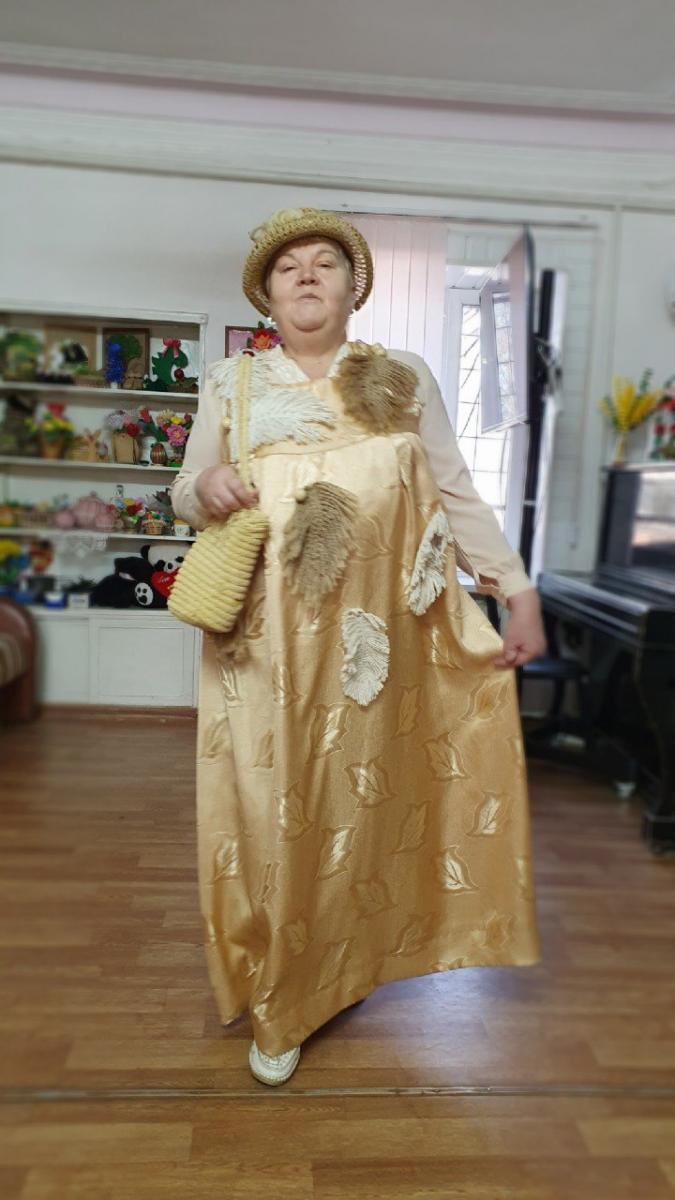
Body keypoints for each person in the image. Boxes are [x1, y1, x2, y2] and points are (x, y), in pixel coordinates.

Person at [170, 206, 546, 1087]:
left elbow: (453, 492)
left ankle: (343, 961)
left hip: (382, 649)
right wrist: (207, 483)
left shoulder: (401, 377)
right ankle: (281, 995)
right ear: (267, 296)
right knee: (271, 811)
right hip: (264, 647)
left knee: (361, 808)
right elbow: (186, 489)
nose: (306, 274)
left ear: (352, 288)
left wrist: (516, 589)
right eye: (288, 266)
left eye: (325, 263)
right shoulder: (231, 383)